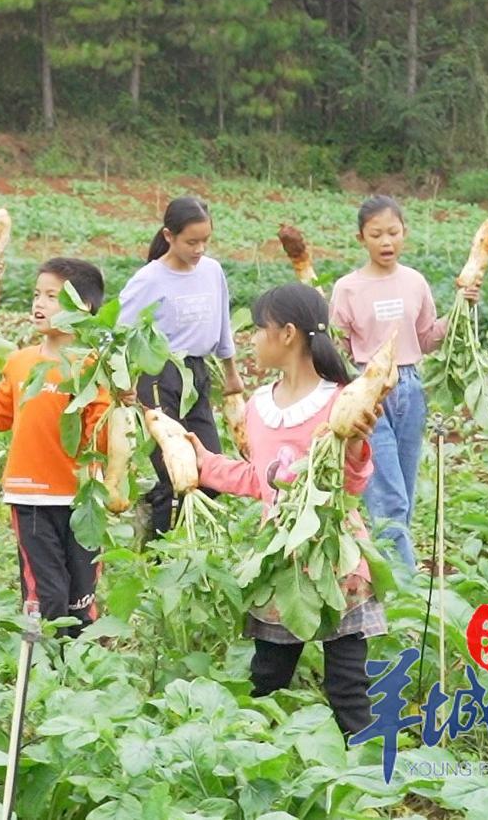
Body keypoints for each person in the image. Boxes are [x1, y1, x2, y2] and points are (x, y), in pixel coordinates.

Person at [190, 283, 384, 737]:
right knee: (267, 679)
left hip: (335, 556)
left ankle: (371, 781)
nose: (252, 340)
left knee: (348, 685)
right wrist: (205, 464)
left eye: (259, 329)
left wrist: (356, 446)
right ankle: (259, 761)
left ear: (288, 334)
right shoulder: (260, 406)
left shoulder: (342, 401)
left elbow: (352, 486)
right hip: (283, 562)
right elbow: (262, 481)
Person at [0, 258, 111, 636]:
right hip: (31, 497)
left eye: (52, 297)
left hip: (82, 500)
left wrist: (123, 404)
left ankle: (78, 664)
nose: (40, 304)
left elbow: (105, 438)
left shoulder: (96, 369)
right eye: (37, 294)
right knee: (46, 592)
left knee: (81, 593)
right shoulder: (20, 362)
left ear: (86, 310)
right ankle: (39, 665)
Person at [329, 195, 481, 571]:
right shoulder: (347, 288)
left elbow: (427, 337)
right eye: (376, 234)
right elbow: (339, 347)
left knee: (405, 495)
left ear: (404, 234)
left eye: (393, 233)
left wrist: (463, 308)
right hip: (370, 393)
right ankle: (404, 590)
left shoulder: (414, 281)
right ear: (360, 237)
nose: (386, 242)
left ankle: (385, 574)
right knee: (387, 496)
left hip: (411, 388)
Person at [119, 196, 243, 539]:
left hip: (197, 374)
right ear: (169, 236)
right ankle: (161, 553)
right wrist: (120, 383)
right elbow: (119, 332)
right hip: (159, 376)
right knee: (175, 471)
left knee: (211, 469)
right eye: (191, 241)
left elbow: (222, 326)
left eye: (205, 241)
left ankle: (152, 506)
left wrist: (231, 373)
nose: (199, 248)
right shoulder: (150, 279)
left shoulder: (212, 271)